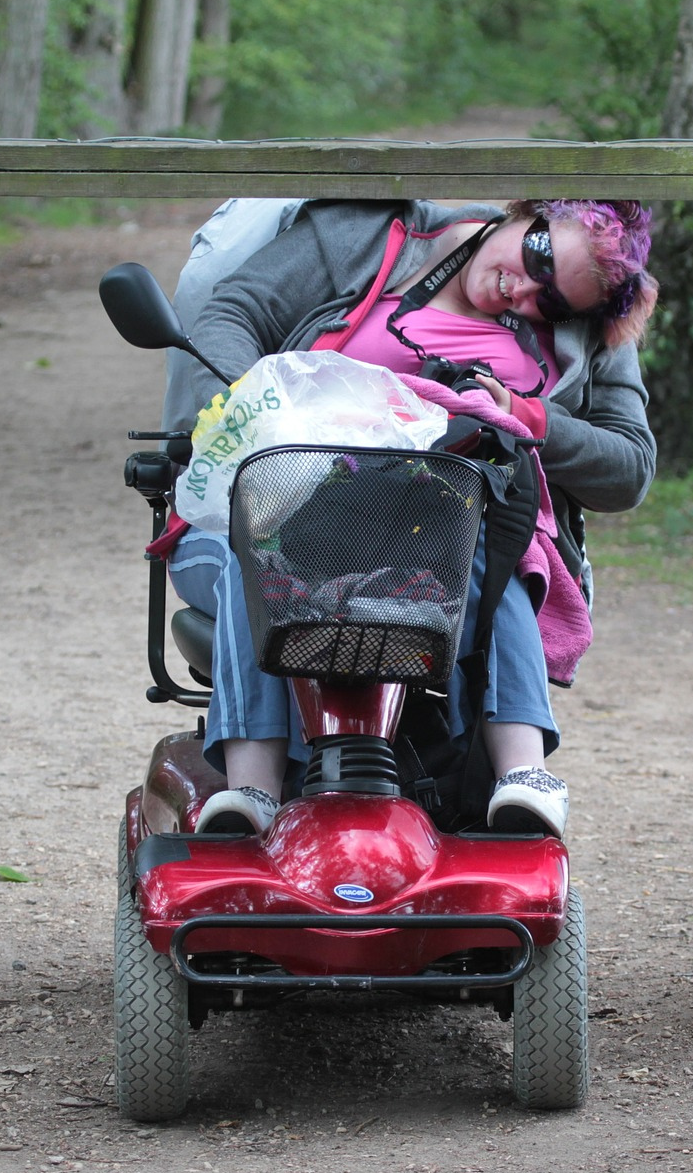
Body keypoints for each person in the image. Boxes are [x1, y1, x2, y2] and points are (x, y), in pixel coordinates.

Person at [164, 197, 659, 838]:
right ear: (524, 213)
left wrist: (526, 416)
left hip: (443, 528)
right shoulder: (363, 236)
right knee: (254, 537)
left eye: (553, 302)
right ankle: (251, 790)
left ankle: (524, 777)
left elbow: (629, 466)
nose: (527, 292)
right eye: (538, 257)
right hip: (285, 495)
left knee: (499, 543)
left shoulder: (589, 333)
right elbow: (231, 313)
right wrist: (259, 416)